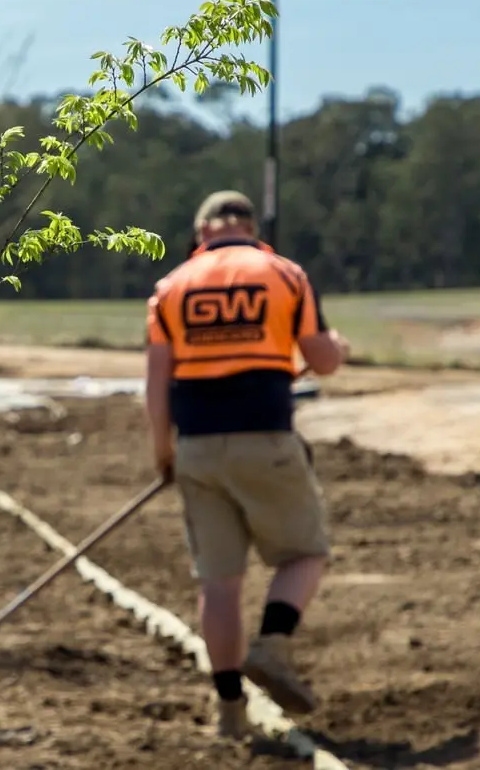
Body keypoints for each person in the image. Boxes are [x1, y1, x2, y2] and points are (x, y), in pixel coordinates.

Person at [143, 190, 349, 740]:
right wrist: (338, 348)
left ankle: (230, 711)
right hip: (266, 441)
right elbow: (322, 360)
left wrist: (164, 454)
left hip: (198, 451)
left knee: (220, 583)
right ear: (251, 228)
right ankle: (273, 645)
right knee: (306, 552)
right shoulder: (284, 274)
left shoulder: (171, 288)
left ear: (201, 232)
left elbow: (156, 385)